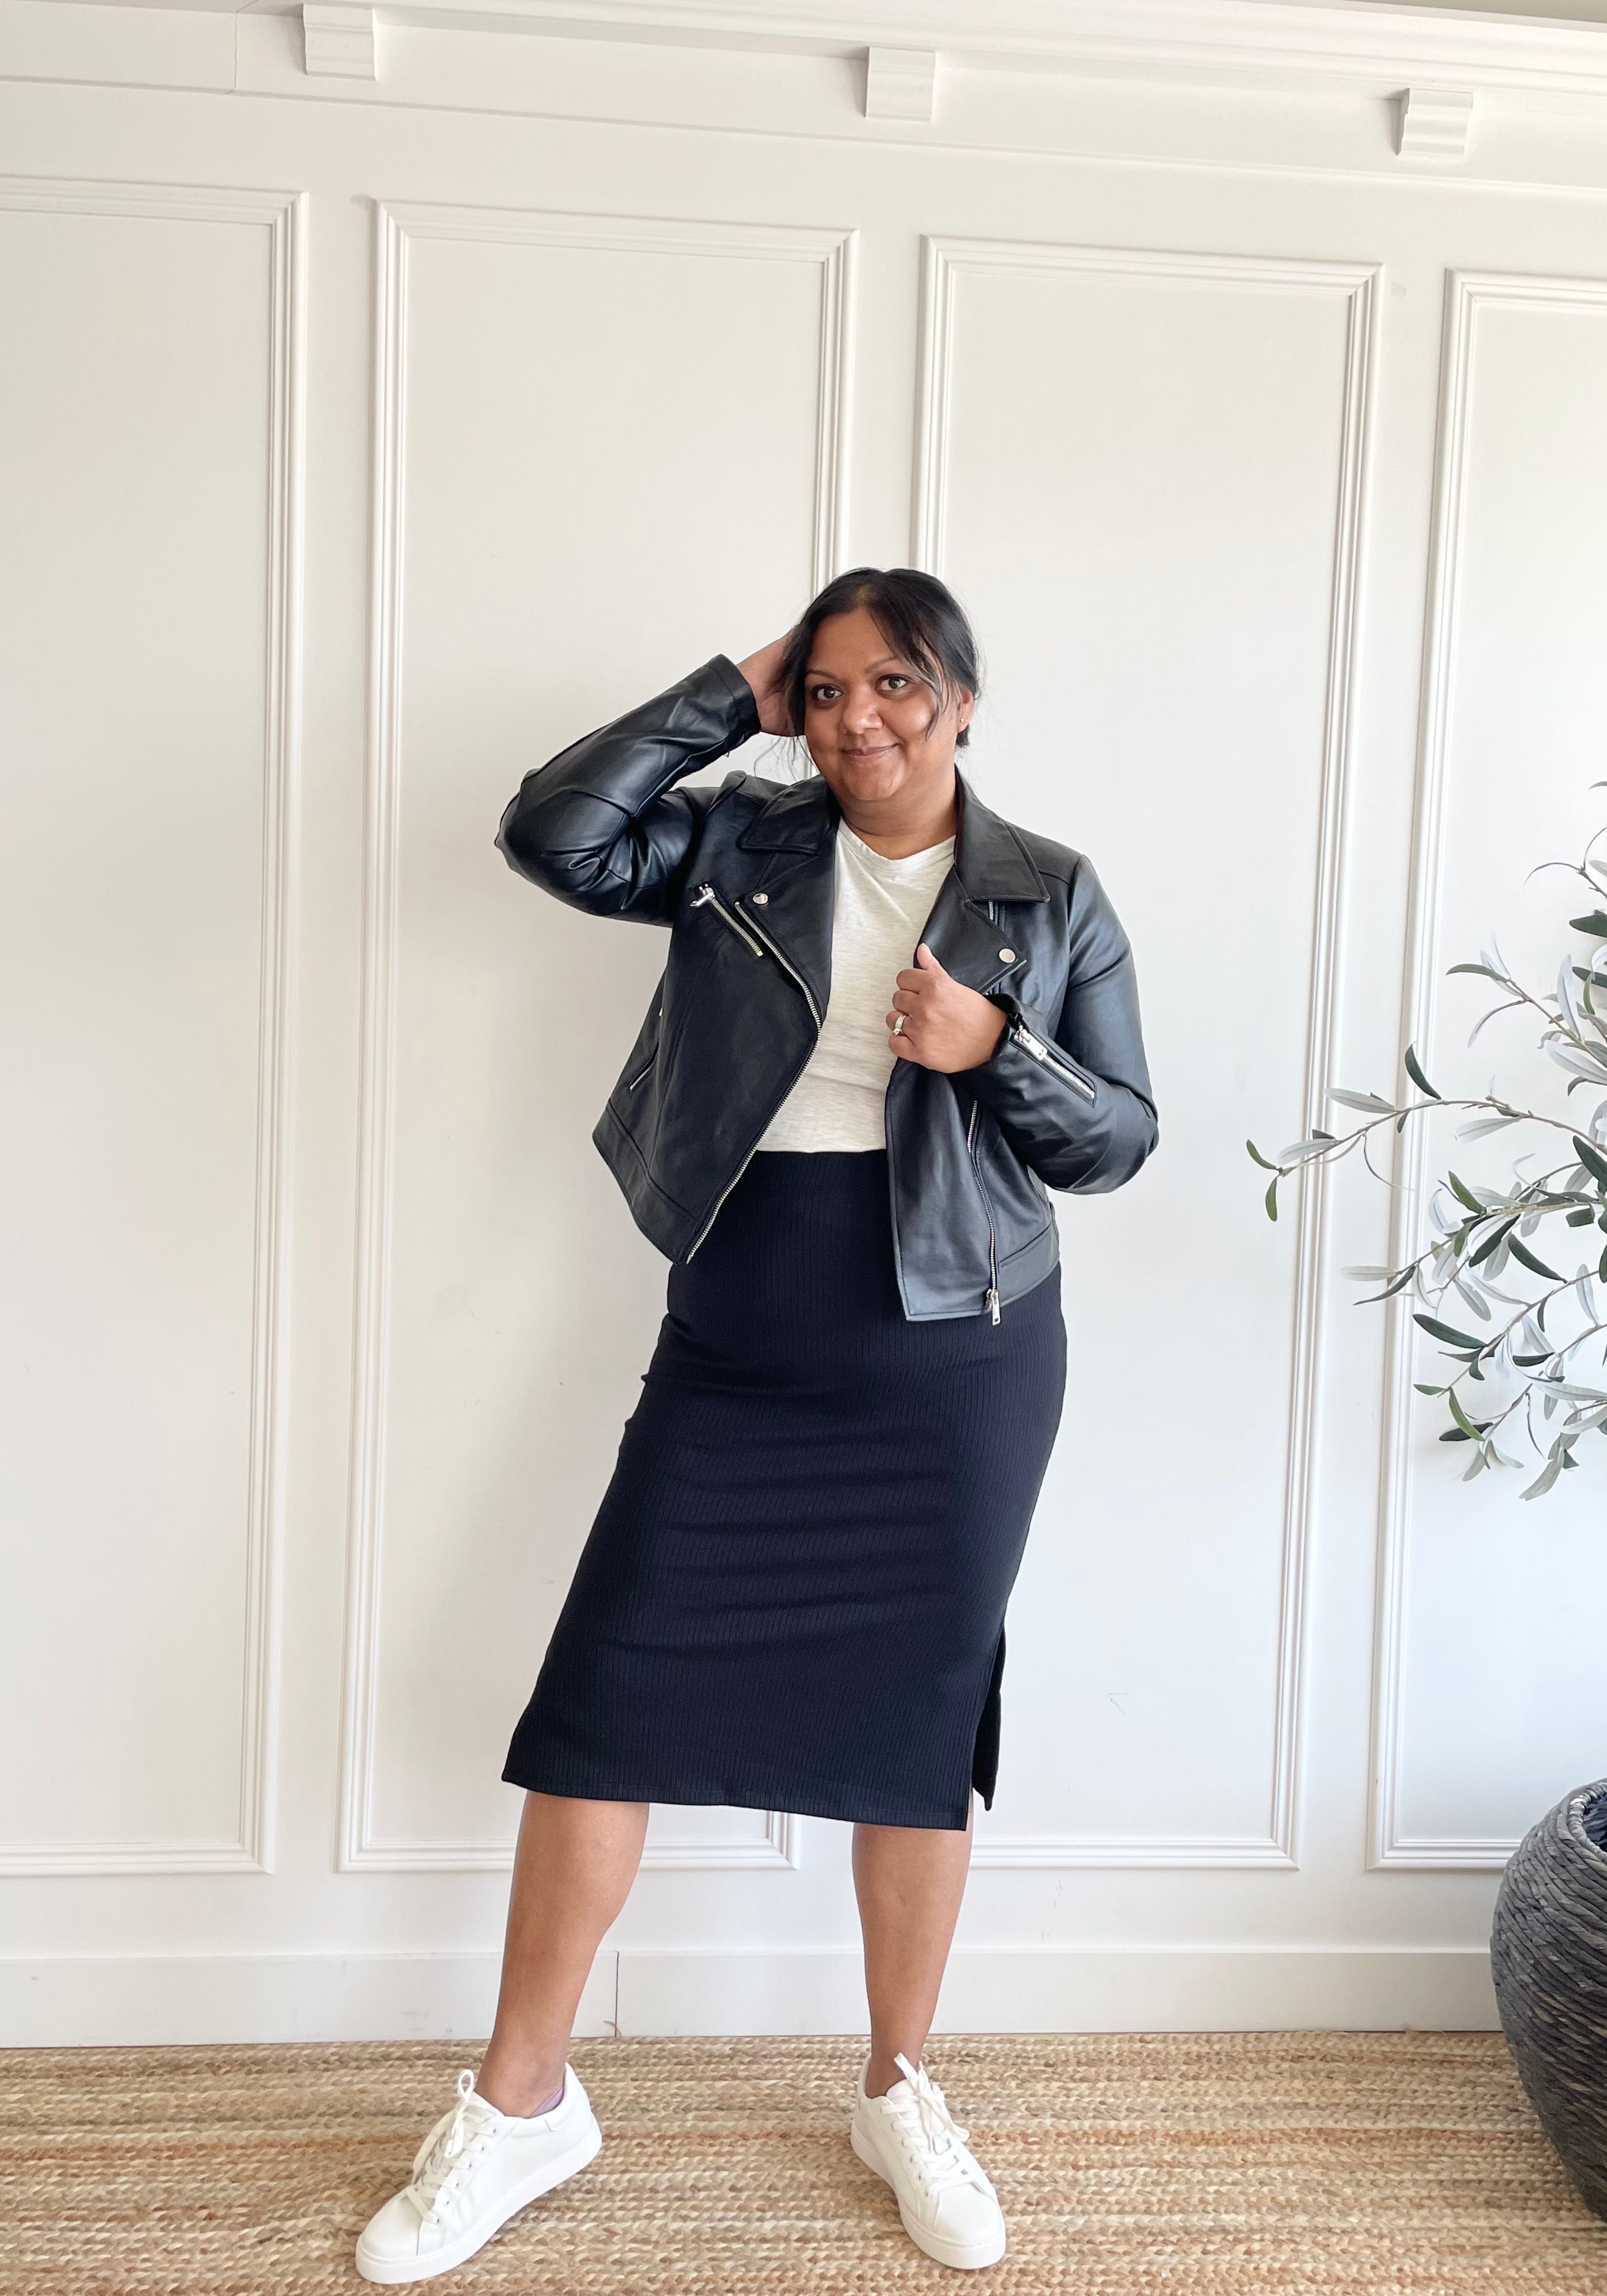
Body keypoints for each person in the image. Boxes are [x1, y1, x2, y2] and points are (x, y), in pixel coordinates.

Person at [355, 567, 1158, 2284]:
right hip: (741, 1332)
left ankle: (897, 2088)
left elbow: (1116, 1141)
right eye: (826, 689)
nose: (858, 718)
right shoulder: (740, 844)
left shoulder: (1048, 891)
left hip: (960, 1358)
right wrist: (731, 686)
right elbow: (556, 834)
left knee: (918, 1723)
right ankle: (521, 2104)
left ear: (960, 695)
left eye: (894, 684)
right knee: (603, 1705)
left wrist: (992, 1047)